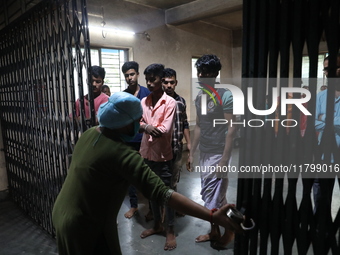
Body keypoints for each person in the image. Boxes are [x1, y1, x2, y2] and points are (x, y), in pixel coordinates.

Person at [52, 92, 241, 255]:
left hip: (63, 211)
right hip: (86, 224)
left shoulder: (90, 133)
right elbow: (164, 193)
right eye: (136, 121)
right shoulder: (122, 155)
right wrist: (212, 216)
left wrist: (144, 126)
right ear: (124, 123)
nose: (138, 124)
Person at [190, 54, 237, 248]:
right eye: (199, 72)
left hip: (219, 153)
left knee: (215, 197)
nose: (201, 76)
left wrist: (225, 159)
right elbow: (199, 126)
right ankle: (215, 231)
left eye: (206, 72)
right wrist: (192, 152)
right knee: (212, 196)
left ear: (216, 74)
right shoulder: (200, 97)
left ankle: (231, 229)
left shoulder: (225, 94)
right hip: (205, 152)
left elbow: (232, 127)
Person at [138, 63, 178, 250]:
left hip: (163, 156)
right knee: (151, 193)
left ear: (161, 80)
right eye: (147, 79)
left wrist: (147, 126)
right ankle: (157, 225)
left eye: (152, 79)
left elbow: (164, 129)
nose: (149, 83)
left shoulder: (170, 103)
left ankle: (170, 229)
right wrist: (146, 126)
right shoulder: (143, 102)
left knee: (166, 194)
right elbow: (137, 122)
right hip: (146, 154)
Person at [122, 61, 150, 219]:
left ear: (138, 74)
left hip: (147, 139)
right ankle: (134, 206)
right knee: (131, 173)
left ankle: (152, 206)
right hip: (130, 139)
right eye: (126, 75)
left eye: (132, 74)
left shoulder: (147, 93)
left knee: (149, 172)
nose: (129, 78)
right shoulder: (123, 95)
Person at [313, 55, 340, 211]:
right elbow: (313, 122)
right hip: (325, 156)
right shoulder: (321, 97)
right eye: (326, 69)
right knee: (321, 198)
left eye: (334, 68)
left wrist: (325, 118)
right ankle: (320, 229)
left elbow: (319, 120)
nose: (329, 73)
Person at [162, 68, 191, 196]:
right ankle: (159, 210)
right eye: (166, 82)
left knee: (174, 179)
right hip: (161, 149)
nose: (169, 85)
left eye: (171, 82)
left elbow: (185, 123)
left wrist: (189, 143)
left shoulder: (181, 101)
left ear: (176, 83)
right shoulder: (158, 101)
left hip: (177, 148)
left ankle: (173, 207)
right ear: (162, 83)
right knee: (161, 180)